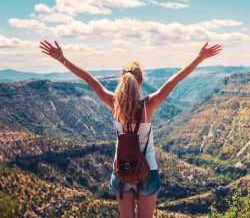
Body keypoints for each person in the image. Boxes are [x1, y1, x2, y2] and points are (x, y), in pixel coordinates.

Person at [39, 40, 222, 217]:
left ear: (122, 81)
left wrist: (61, 58)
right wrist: (200, 57)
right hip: (147, 170)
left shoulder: (113, 103)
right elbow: (176, 79)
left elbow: (88, 78)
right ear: (140, 83)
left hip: (121, 170)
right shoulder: (148, 106)